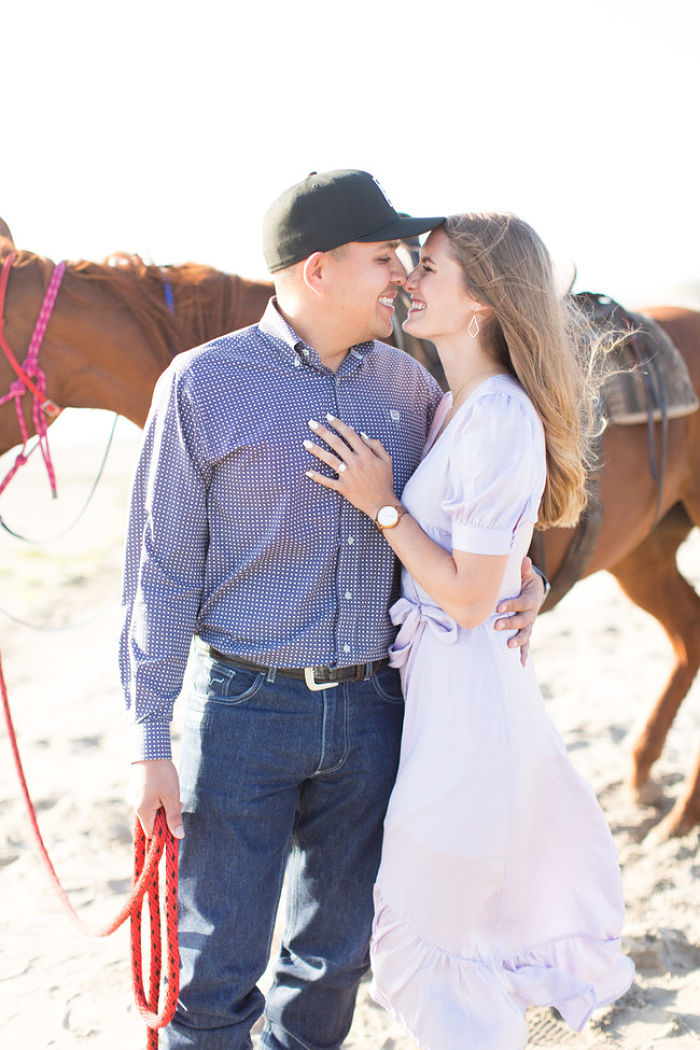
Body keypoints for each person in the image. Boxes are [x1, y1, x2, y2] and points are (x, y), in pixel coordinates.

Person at [120, 172, 546, 1050]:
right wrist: (149, 742)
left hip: (376, 714)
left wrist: (522, 572)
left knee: (330, 967)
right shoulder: (201, 386)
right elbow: (158, 576)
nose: (402, 273)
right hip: (243, 715)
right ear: (318, 269)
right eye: (384, 256)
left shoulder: (410, 387)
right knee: (213, 972)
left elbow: (461, 504)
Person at [303, 213, 635, 1049]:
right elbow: (489, 562)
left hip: (468, 720)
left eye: (434, 267)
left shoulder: (496, 416)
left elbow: (462, 595)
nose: (412, 278)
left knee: (421, 955)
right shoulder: (454, 404)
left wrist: (379, 502)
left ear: (483, 301)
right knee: (433, 950)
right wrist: (524, 568)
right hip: (442, 703)